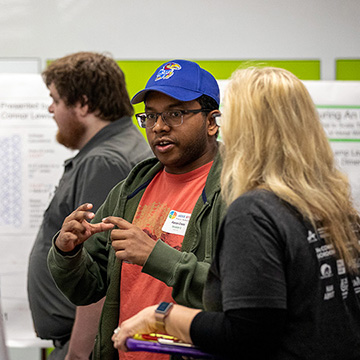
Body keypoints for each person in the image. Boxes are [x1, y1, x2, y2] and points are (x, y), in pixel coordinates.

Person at [112, 67, 360, 360]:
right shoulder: (335, 204)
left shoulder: (255, 211)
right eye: (151, 116)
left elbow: (248, 333)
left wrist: (162, 315)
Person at [47, 59, 227, 360]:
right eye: (151, 116)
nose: (159, 126)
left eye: (176, 113)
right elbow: (88, 289)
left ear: (211, 121)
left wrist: (156, 256)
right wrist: (68, 253)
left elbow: (234, 299)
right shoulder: (133, 187)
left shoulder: (237, 191)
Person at [27, 51, 153, 360]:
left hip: (81, 345)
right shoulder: (119, 147)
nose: (51, 108)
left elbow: (99, 267)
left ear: (83, 104)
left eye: (55, 99)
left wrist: (78, 354)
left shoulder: (105, 161)